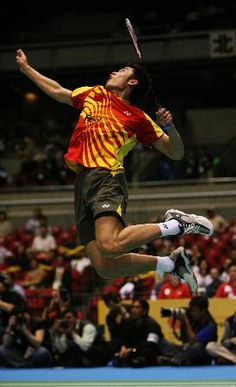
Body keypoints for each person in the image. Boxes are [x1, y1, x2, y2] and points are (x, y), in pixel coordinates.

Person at [16, 49, 214, 294]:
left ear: (132, 82)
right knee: (105, 266)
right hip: (82, 183)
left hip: (106, 177)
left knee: (110, 244)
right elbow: (58, 91)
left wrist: (170, 128)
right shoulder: (94, 94)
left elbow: (176, 152)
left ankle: (175, 224)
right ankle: (169, 263)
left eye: (121, 70)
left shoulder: (137, 117)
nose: (114, 71)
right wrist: (27, 69)